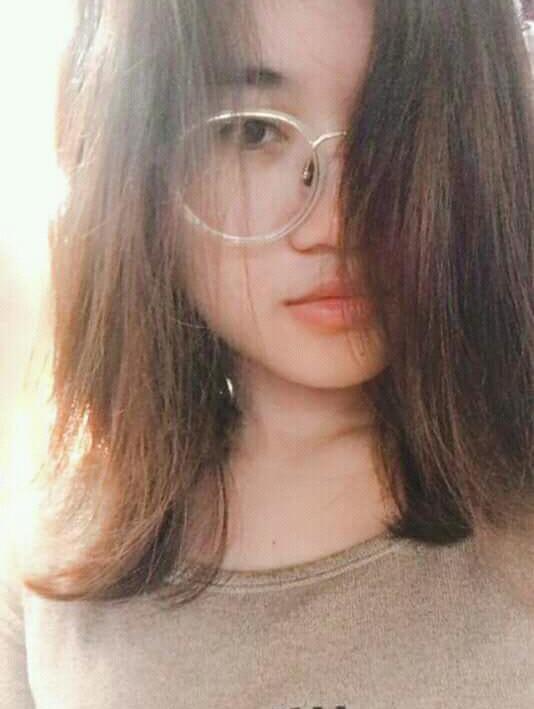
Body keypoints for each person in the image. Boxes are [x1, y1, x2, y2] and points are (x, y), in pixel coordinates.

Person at [1, 0, 533, 707]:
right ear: (140, 164)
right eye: (251, 131)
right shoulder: (50, 565)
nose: (335, 223)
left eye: (397, 126)